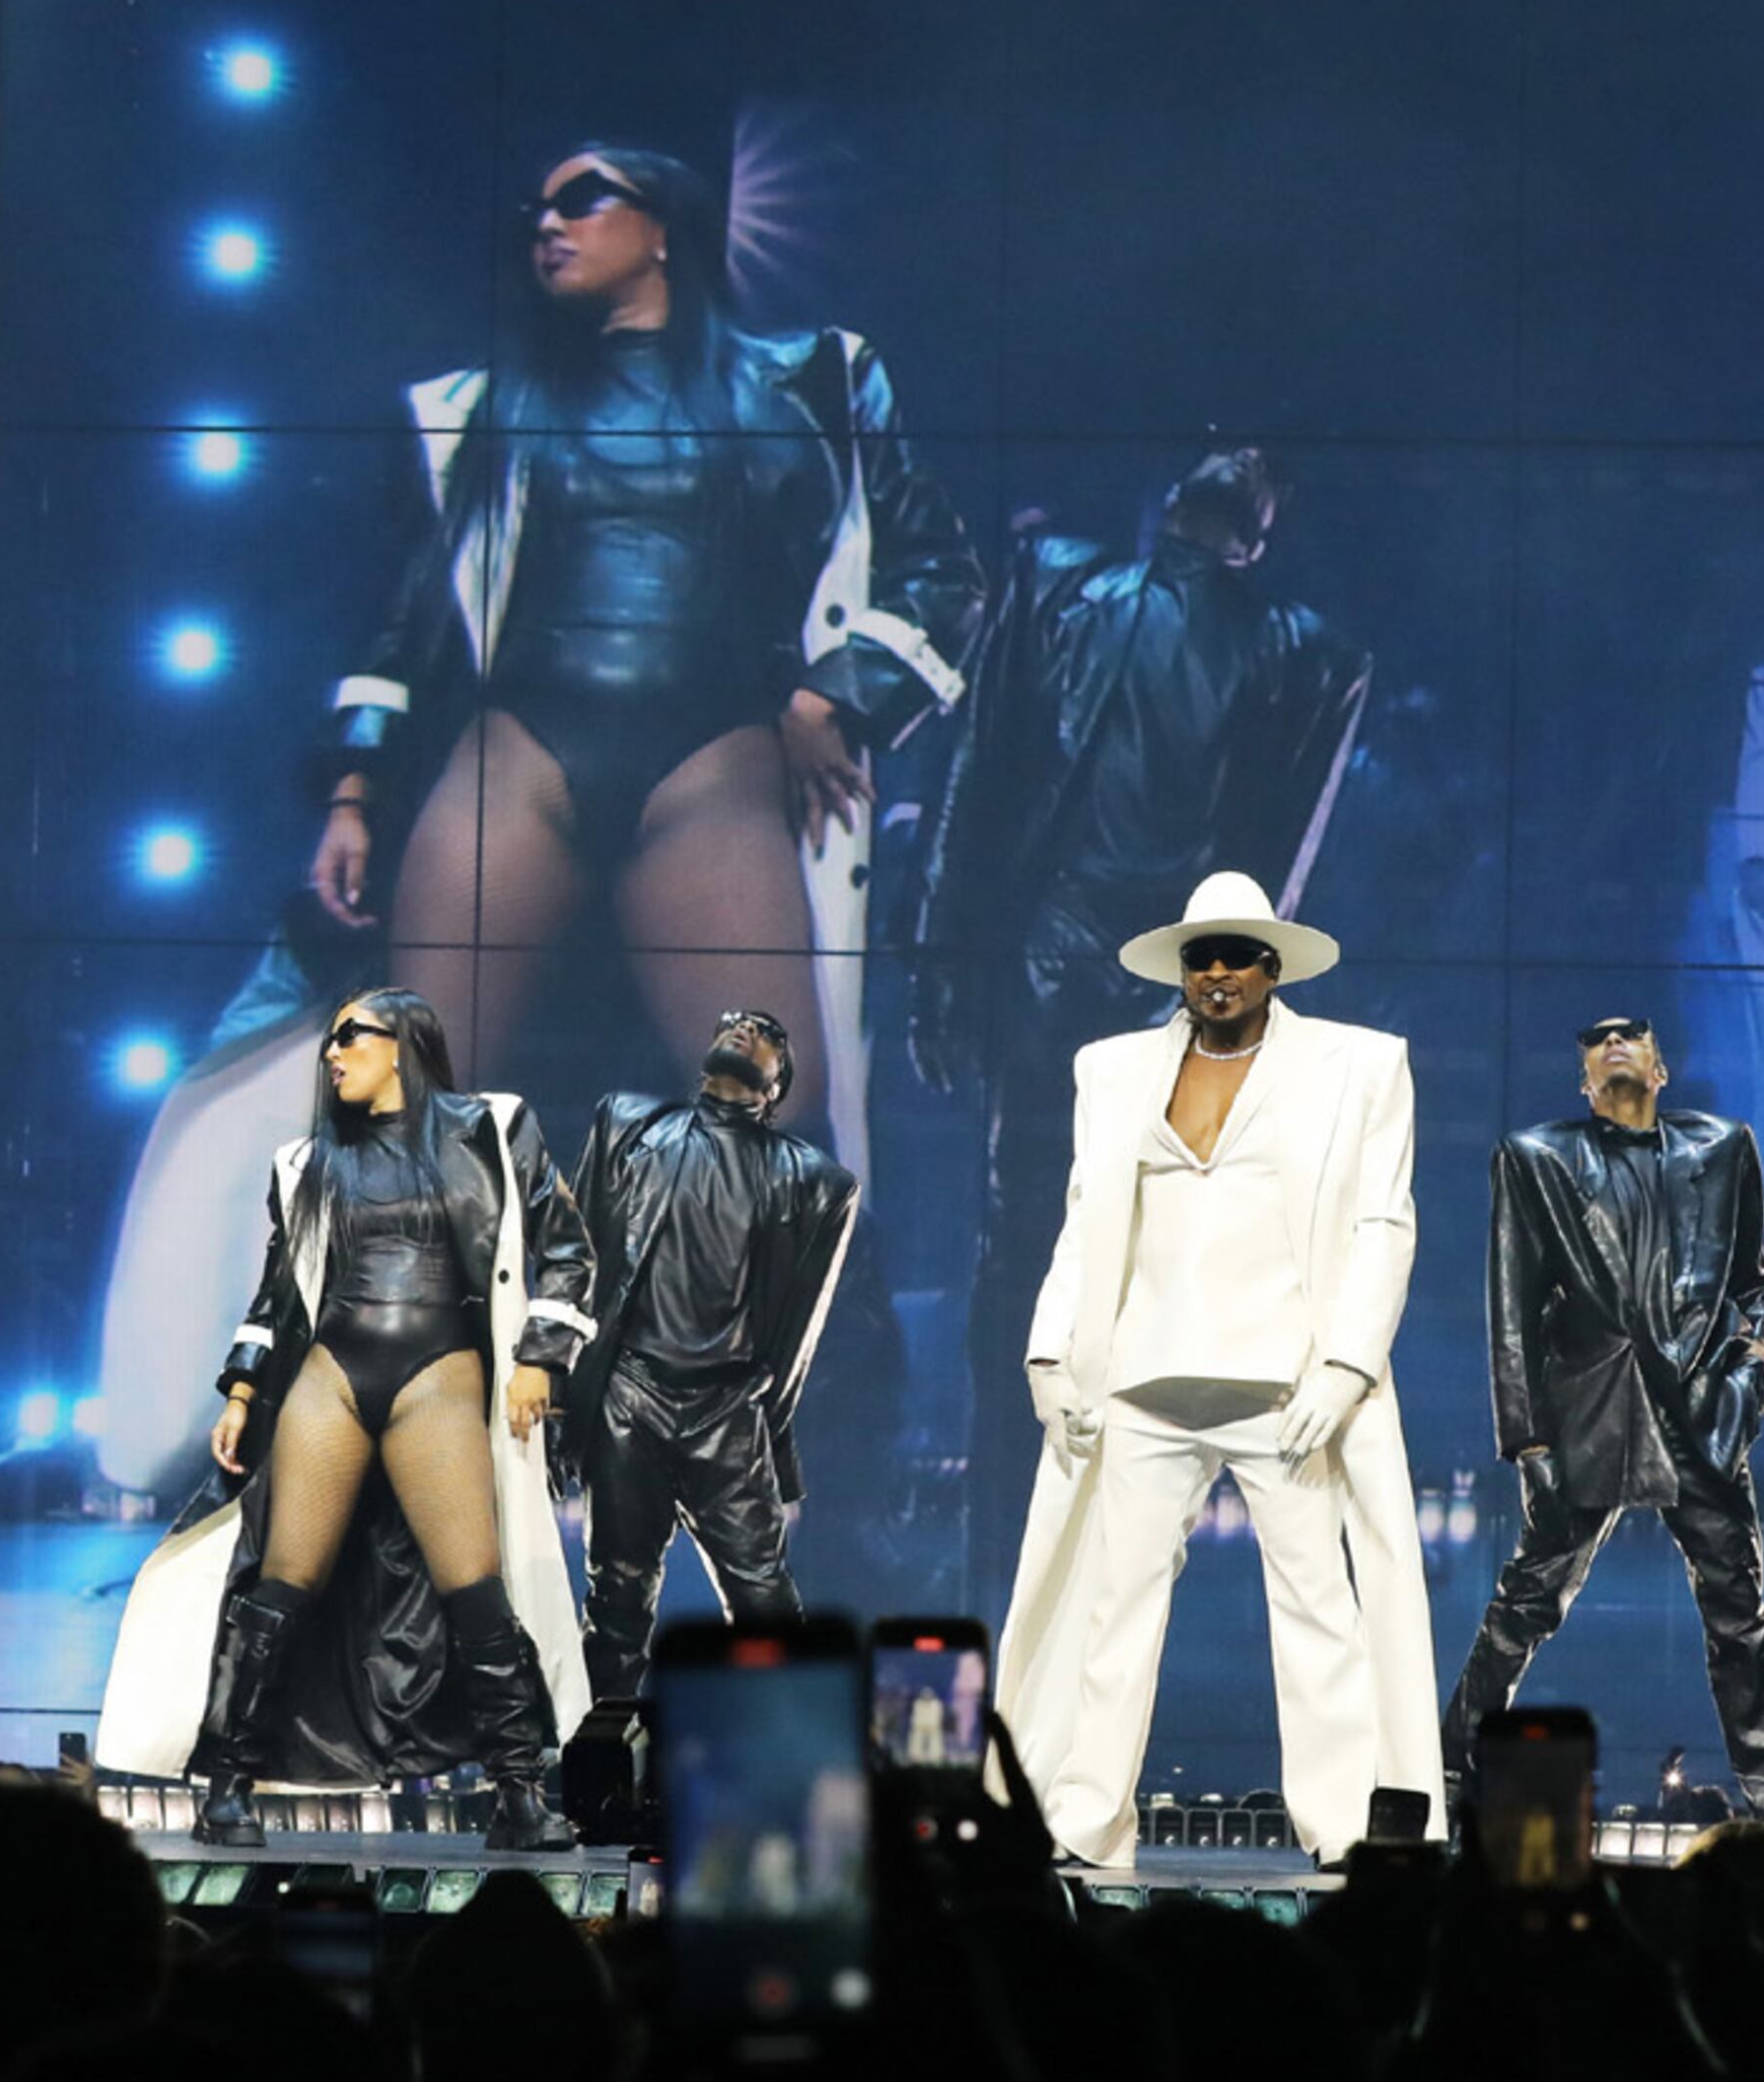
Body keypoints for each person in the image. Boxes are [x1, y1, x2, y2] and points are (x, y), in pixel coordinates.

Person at [87, 141, 980, 1501]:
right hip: (525, 754)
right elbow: (402, 617)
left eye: (581, 199)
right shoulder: (483, 406)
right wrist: (352, 790)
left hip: (711, 766)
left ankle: (823, 1492)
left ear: (663, 226)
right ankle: (356, 1486)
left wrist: (836, 700)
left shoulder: (816, 377)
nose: (546, 225)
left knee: (771, 1152)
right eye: (536, 207)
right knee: (411, 1144)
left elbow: (941, 568)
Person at [911, 444, 1371, 1615]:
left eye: (1259, 463)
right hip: (1074, 962)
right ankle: (1025, 1554)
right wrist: (942, 963)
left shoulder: (1302, 652)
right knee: (1035, 1260)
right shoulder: (1066, 586)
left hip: (1159, 982)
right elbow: (984, 776)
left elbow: (1287, 854)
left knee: (1129, 1274)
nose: (1236, 468)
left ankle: (1093, 1560)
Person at [994, 870, 1442, 1867]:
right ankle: (1084, 1821)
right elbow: (1085, 1220)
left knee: (1319, 1609)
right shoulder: (1112, 1071)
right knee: (1114, 1611)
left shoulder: (1356, 1067)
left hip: (1285, 1380)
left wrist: (1344, 1366)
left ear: (1274, 967)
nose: (1219, 973)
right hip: (1143, 1377)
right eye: (1202, 957)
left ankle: (1342, 1827)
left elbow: (1383, 1224)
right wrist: (1050, 1354)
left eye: (1238, 955)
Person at [91, 990, 596, 1850]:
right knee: (283, 1582)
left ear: (400, 1041)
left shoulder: (495, 1129)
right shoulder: (305, 1163)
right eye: (329, 1039)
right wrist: (244, 1391)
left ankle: (519, 1791)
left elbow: (565, 1248)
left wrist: (541, 1355)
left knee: (474, 1583)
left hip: (438, 1372)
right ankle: (226, 1788)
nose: (332, 1052)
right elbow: (277, 1295)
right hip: (334, 1369)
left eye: (348, 1036)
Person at [1444, 1018, 1764, 1828]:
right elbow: (1512, 1307)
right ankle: (1448, 1764)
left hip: (1698, 1413)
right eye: (1595, 1040)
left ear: (1660, 1066)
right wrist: (1526, 1436)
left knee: (1738, 1614)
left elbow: (1754, 1282)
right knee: (1531, 1597)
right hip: (1590, 1409)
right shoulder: (1537, 1158)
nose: (1612, 1043)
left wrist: (1749, 1376)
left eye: (1629, 1035)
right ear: (1581, 1079)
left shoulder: (1722, 1148)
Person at [562, 1008, 861, 1695]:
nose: (739, 1026)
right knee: (617, 1596)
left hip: (724, 1409)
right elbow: (577, 1263)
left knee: (764, 1599)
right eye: (730, 1021)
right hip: (631, 1394)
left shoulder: (814, 1184)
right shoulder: (630, 1125)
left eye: (764, 1031)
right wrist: (567, 1397)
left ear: (777, 1082)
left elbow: (797, 1337)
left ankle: (790, 1765)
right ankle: (603, 1763)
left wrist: (765, 1428)